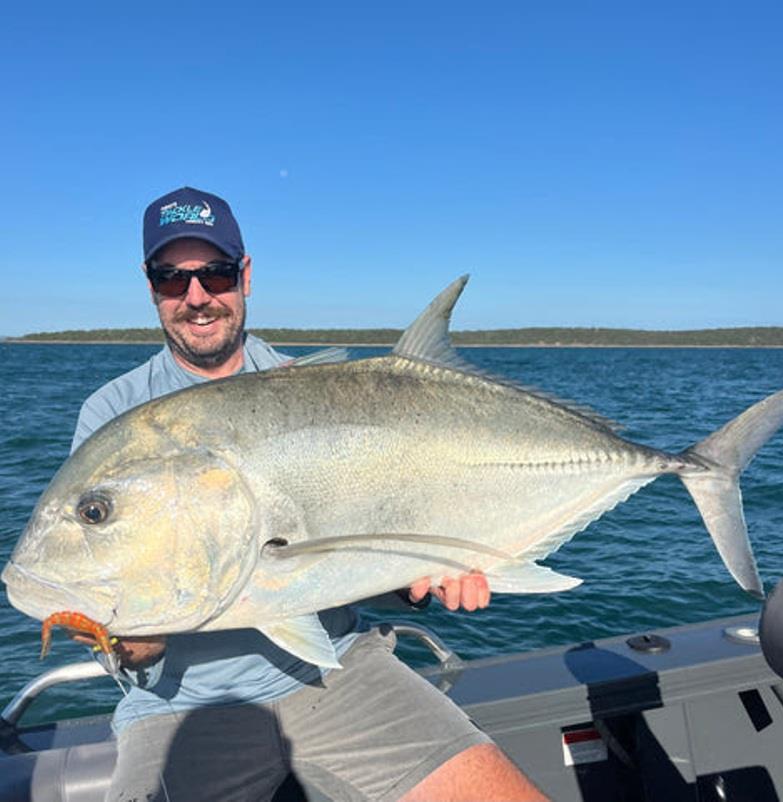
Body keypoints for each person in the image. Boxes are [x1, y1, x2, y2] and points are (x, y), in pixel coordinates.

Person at [72, 187, 550, 802]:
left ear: (244, 275)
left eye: (214, 273)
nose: (197, 297)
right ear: (151, 286)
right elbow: (126, 626)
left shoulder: (315, 390)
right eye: (172, 279)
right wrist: (125, 640)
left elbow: (368, 530)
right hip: (183, 704)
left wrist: (419, 578)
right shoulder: (114, 414)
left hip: (338, 668)